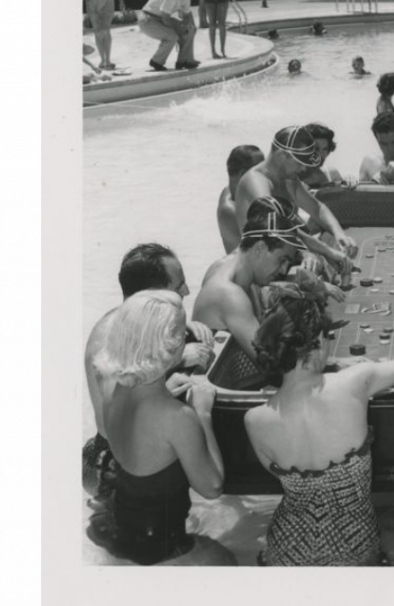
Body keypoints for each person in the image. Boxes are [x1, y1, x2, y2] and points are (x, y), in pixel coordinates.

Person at [245, 288, 394, 565]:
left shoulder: (254, 419)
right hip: (355, 547)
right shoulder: (355, 381)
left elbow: (274, 471)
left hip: (285, 550)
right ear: (317, 341)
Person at [88, 290, 235, 565]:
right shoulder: (177, 417)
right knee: (230, 562)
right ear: (170, 345)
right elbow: (212, 488)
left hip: (123, 520)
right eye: (182, 334)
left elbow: (132, 423)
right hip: (164, 543)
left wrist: (163, 389)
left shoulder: (108, 381)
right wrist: (201, 412)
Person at [83, 243, 214, 503]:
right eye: (178, 287)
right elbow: (109, 424)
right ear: (151, 295)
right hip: (110, 467)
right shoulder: (108, 340)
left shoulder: (132, 324)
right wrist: (175, 362)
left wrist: (181, 324)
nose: (187, 291)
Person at [192, 199, 313, 368]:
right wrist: (330, 361)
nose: (284, 269)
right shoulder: (229, 294)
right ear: (260, 248)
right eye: (282, 260)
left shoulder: (233, 267)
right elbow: (271, 363)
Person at [233, 126, 357, 281]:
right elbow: (279, 227)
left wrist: (339, 234)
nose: (304, 168)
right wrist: (324, 251)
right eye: (299, 162)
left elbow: (317, 208)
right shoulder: (256, 181)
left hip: (283, 259)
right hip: (258, 271)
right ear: (281, 156)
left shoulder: (288, 178)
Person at [138, 0, 199, 71]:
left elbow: (186, 15)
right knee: (173, 36)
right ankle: (156, 62)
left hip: (160, 18)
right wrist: (179, 34)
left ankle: (183, 61)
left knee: (190, 30)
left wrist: (188, 27)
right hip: (147, 20)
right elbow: (166, 19)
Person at [217, 145, 265, 253]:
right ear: (243, 173)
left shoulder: (231, 191)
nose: (264, 173)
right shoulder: (230, 210)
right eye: (259, 170)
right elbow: (261, 249)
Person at [300, 123, 358, 189]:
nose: (321, 154)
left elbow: (344, 196)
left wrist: (349, 179)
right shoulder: (292, 177)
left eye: (325, 149)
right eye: (316, 149)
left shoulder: (331, 174)